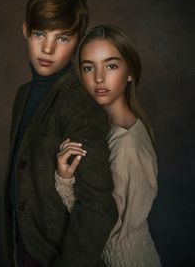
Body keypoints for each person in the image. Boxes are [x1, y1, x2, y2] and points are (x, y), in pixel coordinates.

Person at [2, 0, 117, 267]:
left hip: (59, 256)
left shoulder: (80, 104)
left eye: (63, 38)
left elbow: (98, 208)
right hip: (22, 246)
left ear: (78, 41)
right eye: (40, 34)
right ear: (26, 30)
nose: (48, 48)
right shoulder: (23, 95)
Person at [55, 25, 161, 266]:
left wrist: (64, 181)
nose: (99, 78)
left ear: (130, 72)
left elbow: (101, 223)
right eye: (88, 68)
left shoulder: (126, 145)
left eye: (111, 66)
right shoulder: (106, 126)